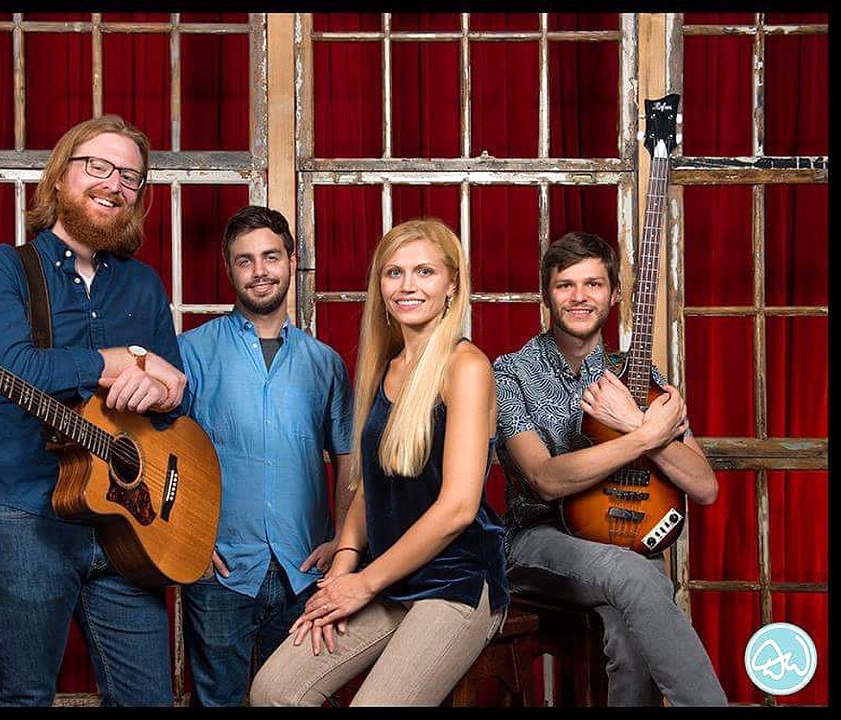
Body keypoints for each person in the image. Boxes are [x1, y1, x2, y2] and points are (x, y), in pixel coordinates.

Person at [0, 115, 187, 706]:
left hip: (127, 523)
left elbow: (175, 402)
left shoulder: (143, 285)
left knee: (149, 700)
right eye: (99, 167)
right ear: (59, 176)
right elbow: (14, 368)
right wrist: (113, 361)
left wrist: (168, 393)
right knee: (26, 697)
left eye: (130, 176)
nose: (115, 184)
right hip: (25, 514)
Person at [249, 218, 510, 707]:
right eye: (394, 273)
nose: (408, 285)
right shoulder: (385, 365)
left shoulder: (466, 366)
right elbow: (371, 485)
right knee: (274, 690)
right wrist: (344, 568)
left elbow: (458, 508)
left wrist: (363, 584)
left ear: (453, 284)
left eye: (425, 272)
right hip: (389, 575)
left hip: (455, 580)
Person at [492, 231, 727, 706]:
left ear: (614, 294)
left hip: (623, 545)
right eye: (566, 285)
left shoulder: (642, 377)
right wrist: (642, 436)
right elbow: (545, 479)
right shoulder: (509, 373)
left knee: (630, 628)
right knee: (639, 574)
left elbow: (705, 488)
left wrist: (634, 419)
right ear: (546, 294)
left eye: (594, 284)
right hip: (536, 541)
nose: (580, 297)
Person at [176, 205, 354, 706]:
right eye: (245, 260)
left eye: (271, 257)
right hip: (221, 571)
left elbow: (347, 458)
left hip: (306, 570)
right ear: (229, 269)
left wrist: (341, 539)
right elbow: (166, 453)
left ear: (292, 262)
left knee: (298, 698)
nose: (259, 271)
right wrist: (188, 539)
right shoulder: (190, 351)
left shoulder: (326, 363)